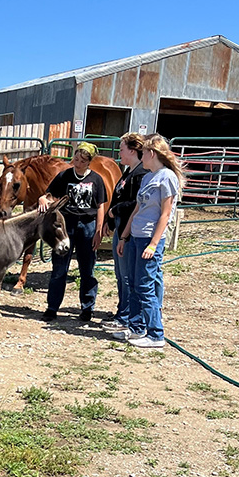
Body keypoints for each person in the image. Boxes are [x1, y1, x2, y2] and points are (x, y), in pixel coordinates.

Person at [116, 134, 183, 349]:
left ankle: (155, 334)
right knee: (134, 284)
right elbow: (137, 209)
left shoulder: (167, 177)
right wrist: (125, 236)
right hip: (136, 236)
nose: (141, 156)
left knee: (145, 285)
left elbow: (165, 214)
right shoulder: (147, 177)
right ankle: (136, 328)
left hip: (149, 238)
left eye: (143, 152)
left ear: (152, 153)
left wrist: (154, 243)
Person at [38, 141, 107, 323]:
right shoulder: (64, 176)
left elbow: (100, 206)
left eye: (82, 160)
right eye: (76, 157)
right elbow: (49, 194)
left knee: (87, 269)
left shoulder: (97, 180)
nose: (77, 162)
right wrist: (42, 198)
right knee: (59, 268)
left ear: (89, 162)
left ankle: (87, 308)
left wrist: (98, 231)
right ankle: (52, 307)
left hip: (87, 225)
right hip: (66, 225)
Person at [104, 132, 146, 334]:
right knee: (120, 274)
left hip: (128, 229)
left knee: (127, 275)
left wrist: (116, 210)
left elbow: (135, 204)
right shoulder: (128, 172)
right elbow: (116, 197)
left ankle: (126, 316)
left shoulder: (140, 174)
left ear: (132, 150)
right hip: (120, 225)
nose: (119, 153)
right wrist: (109, 218)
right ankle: (122, 312)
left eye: (122, 149)